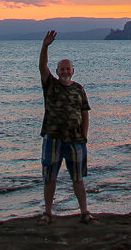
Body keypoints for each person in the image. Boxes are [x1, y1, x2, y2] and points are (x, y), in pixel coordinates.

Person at [37, 29, 96, 224]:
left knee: (77, 178)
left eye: (67, 68)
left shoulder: (79, 89)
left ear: (73, 70)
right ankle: (47, 213)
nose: (65, 71)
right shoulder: (50, 85)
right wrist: (45, 46)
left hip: (75, 141)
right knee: (50, 177)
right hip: (52, 139)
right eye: (61, 68)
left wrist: (84, 136)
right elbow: (42, 66)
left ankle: (84, 212)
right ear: (57, 71)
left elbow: (85, 112)